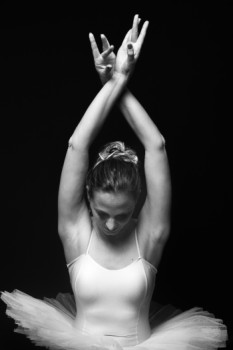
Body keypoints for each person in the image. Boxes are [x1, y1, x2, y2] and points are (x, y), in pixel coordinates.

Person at [1, 14, 227, 350]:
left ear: (137, 203)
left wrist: (120, 81)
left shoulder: (151, 236)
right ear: (88, 200)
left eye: (122, 215)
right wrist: (112, 83)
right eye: (102, 212)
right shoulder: (75, 232)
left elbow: (156, 145)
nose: (110, 224)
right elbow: (77, 144)